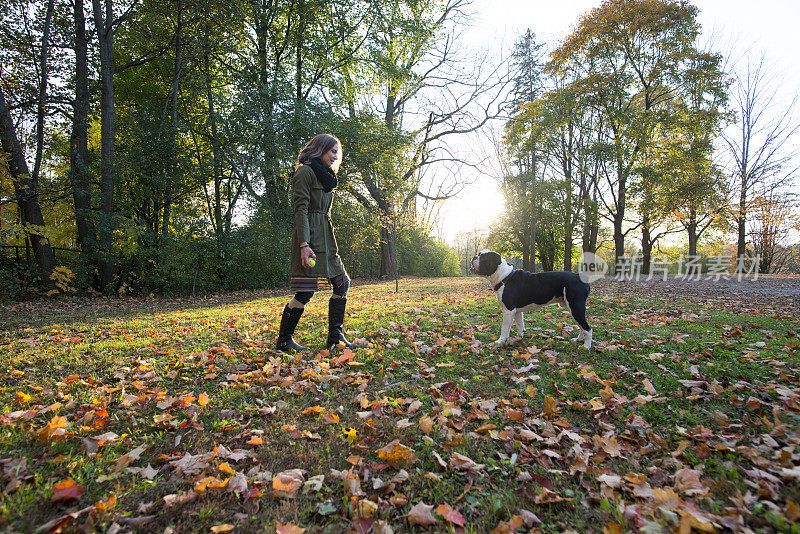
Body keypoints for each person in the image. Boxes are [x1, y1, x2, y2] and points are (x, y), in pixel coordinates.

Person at [275, 134, 357, 352]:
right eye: (332, 151)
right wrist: (304, 244)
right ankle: (284, 340)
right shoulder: (305, 172)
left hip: (327, 238)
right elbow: (300, 209)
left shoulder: (326, 177)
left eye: (337, 152)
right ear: (320, 149)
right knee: (305, 291)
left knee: (342, 283)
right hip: (310, 238)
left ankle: (335, 338)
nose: (335, 156)